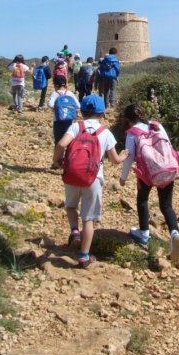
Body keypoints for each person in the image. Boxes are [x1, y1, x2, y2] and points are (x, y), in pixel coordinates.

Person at [52, 95, 128, 268]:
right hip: (93, 178)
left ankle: (74, 231)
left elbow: (61, 145)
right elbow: (115, 160)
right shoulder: (105, 132)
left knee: (71, 206)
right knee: (88, 219)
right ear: (102, 114)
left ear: (82, 111)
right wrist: (123, 156)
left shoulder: (75, 126)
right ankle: (84, 257)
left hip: (72, 174)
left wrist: (57, 160)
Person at [119, 103, 179, 262]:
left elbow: (129, 157)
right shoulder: (156, 126)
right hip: (165, 169)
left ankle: (144, 233)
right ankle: (175, 233)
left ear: (128, 120)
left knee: (142, 200)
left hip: (146, 173)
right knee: (166, 205)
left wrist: (123, 177)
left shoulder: (132, 133)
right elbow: (168, 146)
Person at [47, 75, 80, 144]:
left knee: (58, 141)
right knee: (69, 142)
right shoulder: (70, 93)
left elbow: (50, 104)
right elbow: (78, 106)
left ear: (55, 85)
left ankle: (59, 154)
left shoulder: (55, 94)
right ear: (65, 84)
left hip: (58, 120)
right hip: (70, 121)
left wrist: (56, 109)